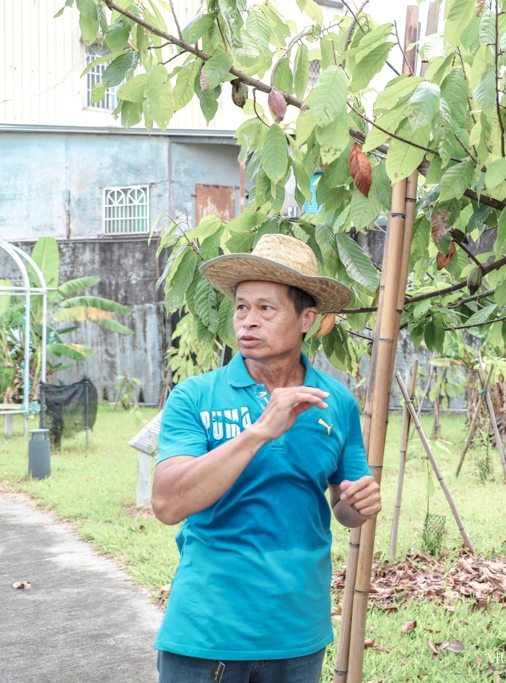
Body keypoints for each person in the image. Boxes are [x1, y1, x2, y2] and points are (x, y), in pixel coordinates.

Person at [151, 233, 381, 683]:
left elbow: (345, 509)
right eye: (241, 306)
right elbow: (167, 504)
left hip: (297, 632)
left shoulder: (335, 402)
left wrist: (358, 504)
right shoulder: (194, 396)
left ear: (307, 319)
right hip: (205, 630)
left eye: (265, 308)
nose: (247, 322)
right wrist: (258, 432)